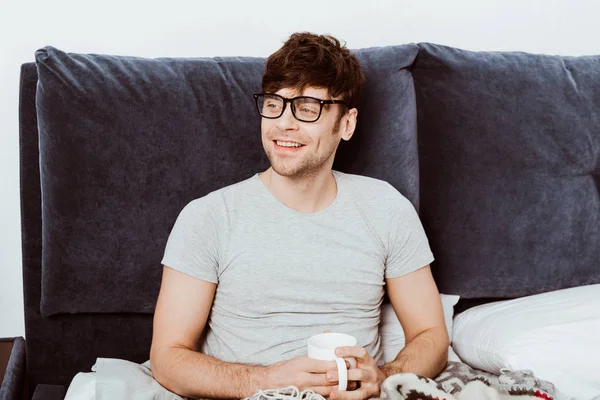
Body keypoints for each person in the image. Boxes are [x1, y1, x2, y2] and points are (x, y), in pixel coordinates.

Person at [150, 32, 449, 400]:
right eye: (274, 104)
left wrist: (384, 376)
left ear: (347, 123)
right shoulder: (208, 217)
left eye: (307, 109)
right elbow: (167, 358)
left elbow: (431, 335)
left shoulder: (386, 208)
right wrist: (264, 380)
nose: (284, 124)